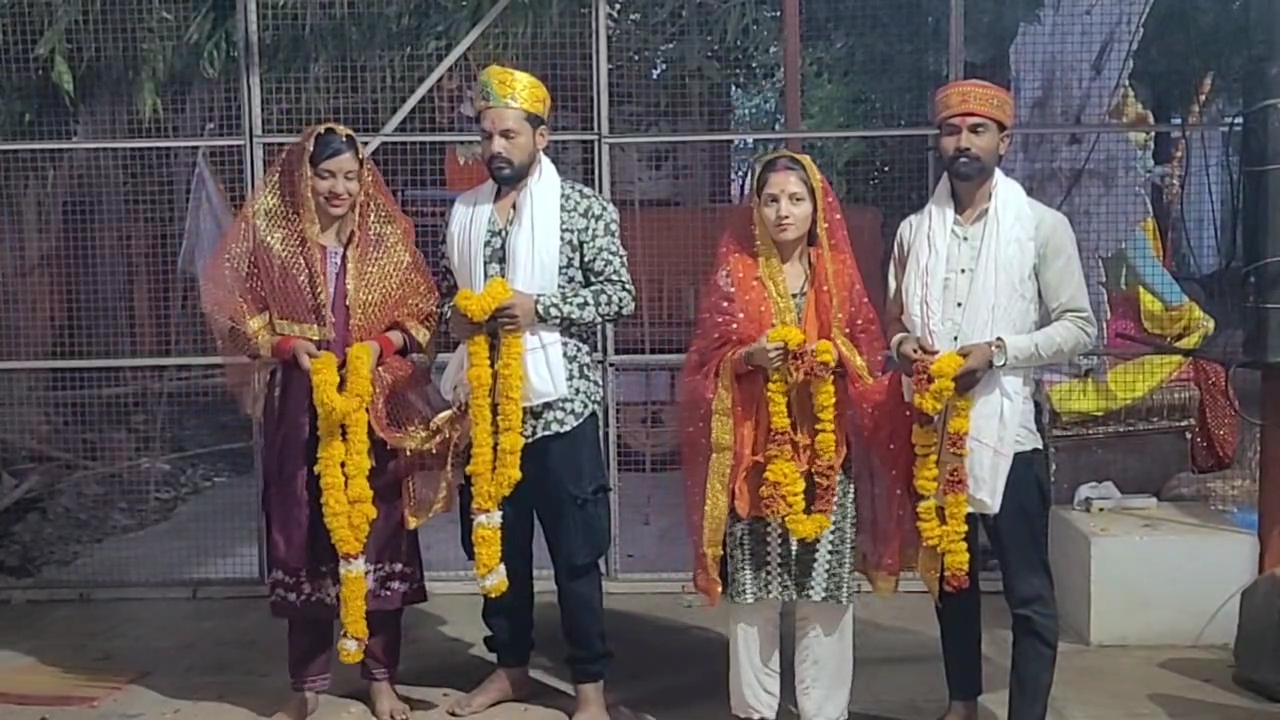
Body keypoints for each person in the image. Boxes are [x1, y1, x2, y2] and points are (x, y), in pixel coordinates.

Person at [198, 124, 442, 720]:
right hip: (299, 412)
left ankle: (381, 679)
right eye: (326, 175)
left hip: (372, 407)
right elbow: (230, 311)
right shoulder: (270, 244)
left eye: (350, 176)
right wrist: (285, 348)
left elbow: (424, 317)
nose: (339, 187)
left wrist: (379, 346)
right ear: (304, 179)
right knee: (301, 528)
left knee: (378, 528)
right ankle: (305, 689)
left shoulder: (386, 241)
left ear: (364, 180)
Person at [883, 80, 1097, 720]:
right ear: (939, 142)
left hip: (1010, 437)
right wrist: (902, 347)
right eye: (952, 130)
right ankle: (962, 704)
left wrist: (996, 352)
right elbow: (892, 317)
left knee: (1029, 593)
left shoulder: (1039, 227)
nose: (963, 142)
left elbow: (1078, 326)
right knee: (953, 583)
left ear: (1005, 141)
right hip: (934, 434)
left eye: (978, 130)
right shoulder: (914, 231)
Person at [679, 150, 918, 720]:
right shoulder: (733, 275)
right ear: (755, 208)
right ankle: (756, 712)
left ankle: (823, 711)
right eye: (770, 200)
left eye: (795, 199)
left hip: (823, 457)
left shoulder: (836, 277)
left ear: (816, 207)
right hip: (754, 454)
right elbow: (701, 367)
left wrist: (834, 357)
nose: (783, 211)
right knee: (756, 594)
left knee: (825, 592)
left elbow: (867, 355)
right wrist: (748, 358)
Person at [436, 65, 636, 720]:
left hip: (561, 411)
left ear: (541, 137)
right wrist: (456, 318)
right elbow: (447, 303)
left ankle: (589, 692)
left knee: (577, 557)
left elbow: (617, 297)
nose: (496, 148)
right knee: (498, 550)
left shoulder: (581, 209)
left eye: (510, 135)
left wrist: (540, 306)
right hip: (487, 413)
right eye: (487, 135)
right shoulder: (463, 214)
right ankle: (511, 671)